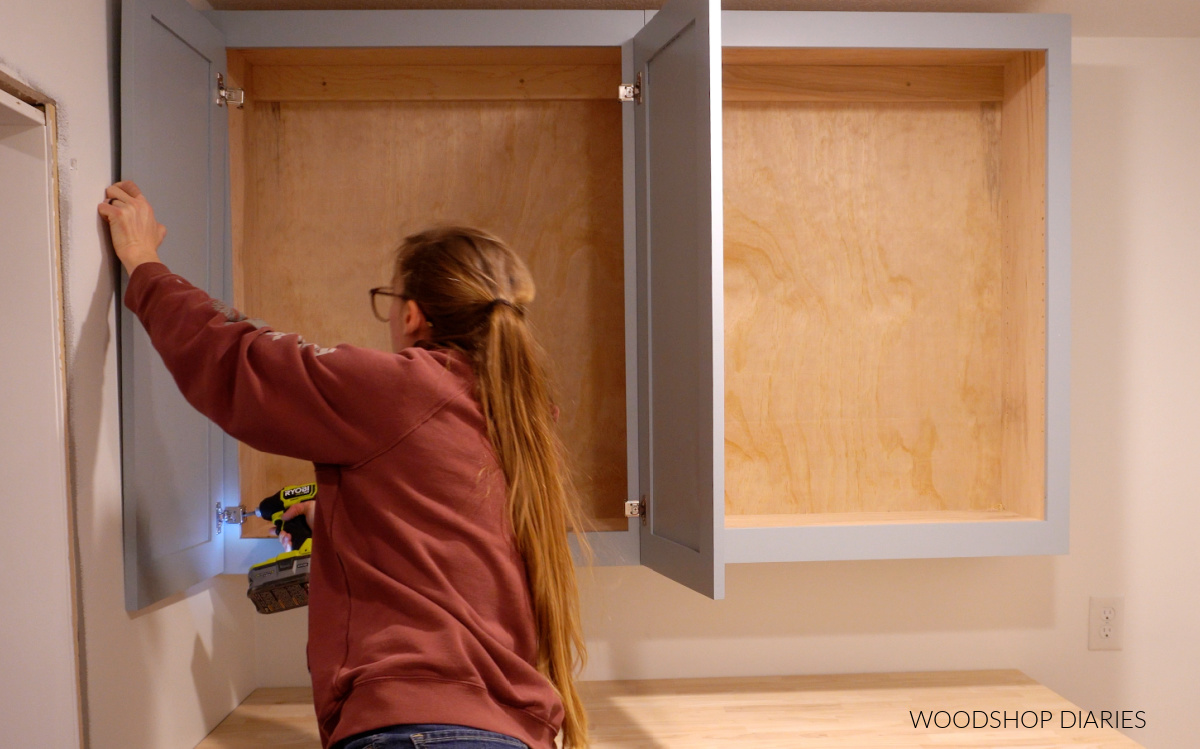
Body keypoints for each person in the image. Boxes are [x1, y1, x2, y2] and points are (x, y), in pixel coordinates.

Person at [99, 181, 590, 749]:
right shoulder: (523, 416)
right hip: (510, 734)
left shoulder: (402, 389)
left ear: (412, 315)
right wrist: (348, 508)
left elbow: (237, 359)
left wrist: (144, 263)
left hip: (416, 730)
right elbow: (453, 535)